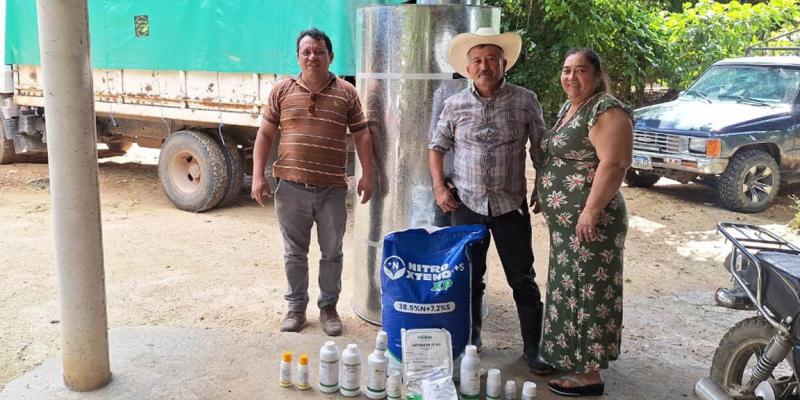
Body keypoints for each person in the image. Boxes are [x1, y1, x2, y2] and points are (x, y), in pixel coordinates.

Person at [428, 27, 552, 375]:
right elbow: (436, 148)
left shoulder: (525, 100)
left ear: (504, 64)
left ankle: (533, 349)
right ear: (468, 69)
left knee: (523, 278)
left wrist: (541, 185)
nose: (484, 66)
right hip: (466, 205)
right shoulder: (455, 104)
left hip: (510, 205)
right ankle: (471, 340)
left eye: (491, 60)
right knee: (470, 277)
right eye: (477, 61)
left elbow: (540, 146)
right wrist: (440, 188)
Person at [251, 28, 375, 336]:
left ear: (330, 57)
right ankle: (295, 309)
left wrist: (368, 175)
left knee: (332, 253)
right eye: (306, 52)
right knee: (294, 253)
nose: (312, 57)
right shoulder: (281, 90)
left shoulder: (347, 92)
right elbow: (265, 134)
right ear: (298, 57)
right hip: (291, 188)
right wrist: (257, 176)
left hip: (331, 188)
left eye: (319, 51)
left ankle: (328, 309)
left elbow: (361, 134)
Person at [537, 48, 633, 397]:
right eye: (566, 70)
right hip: (568, 226)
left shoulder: (606, 110)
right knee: (570, 287)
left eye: (580, 70)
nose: (571, 77)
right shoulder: (570, 107)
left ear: (596, 74)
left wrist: (591, 210)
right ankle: (572, 356)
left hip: (594, 222)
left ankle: (589, 374)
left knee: (590, 290)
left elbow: (615, 163)